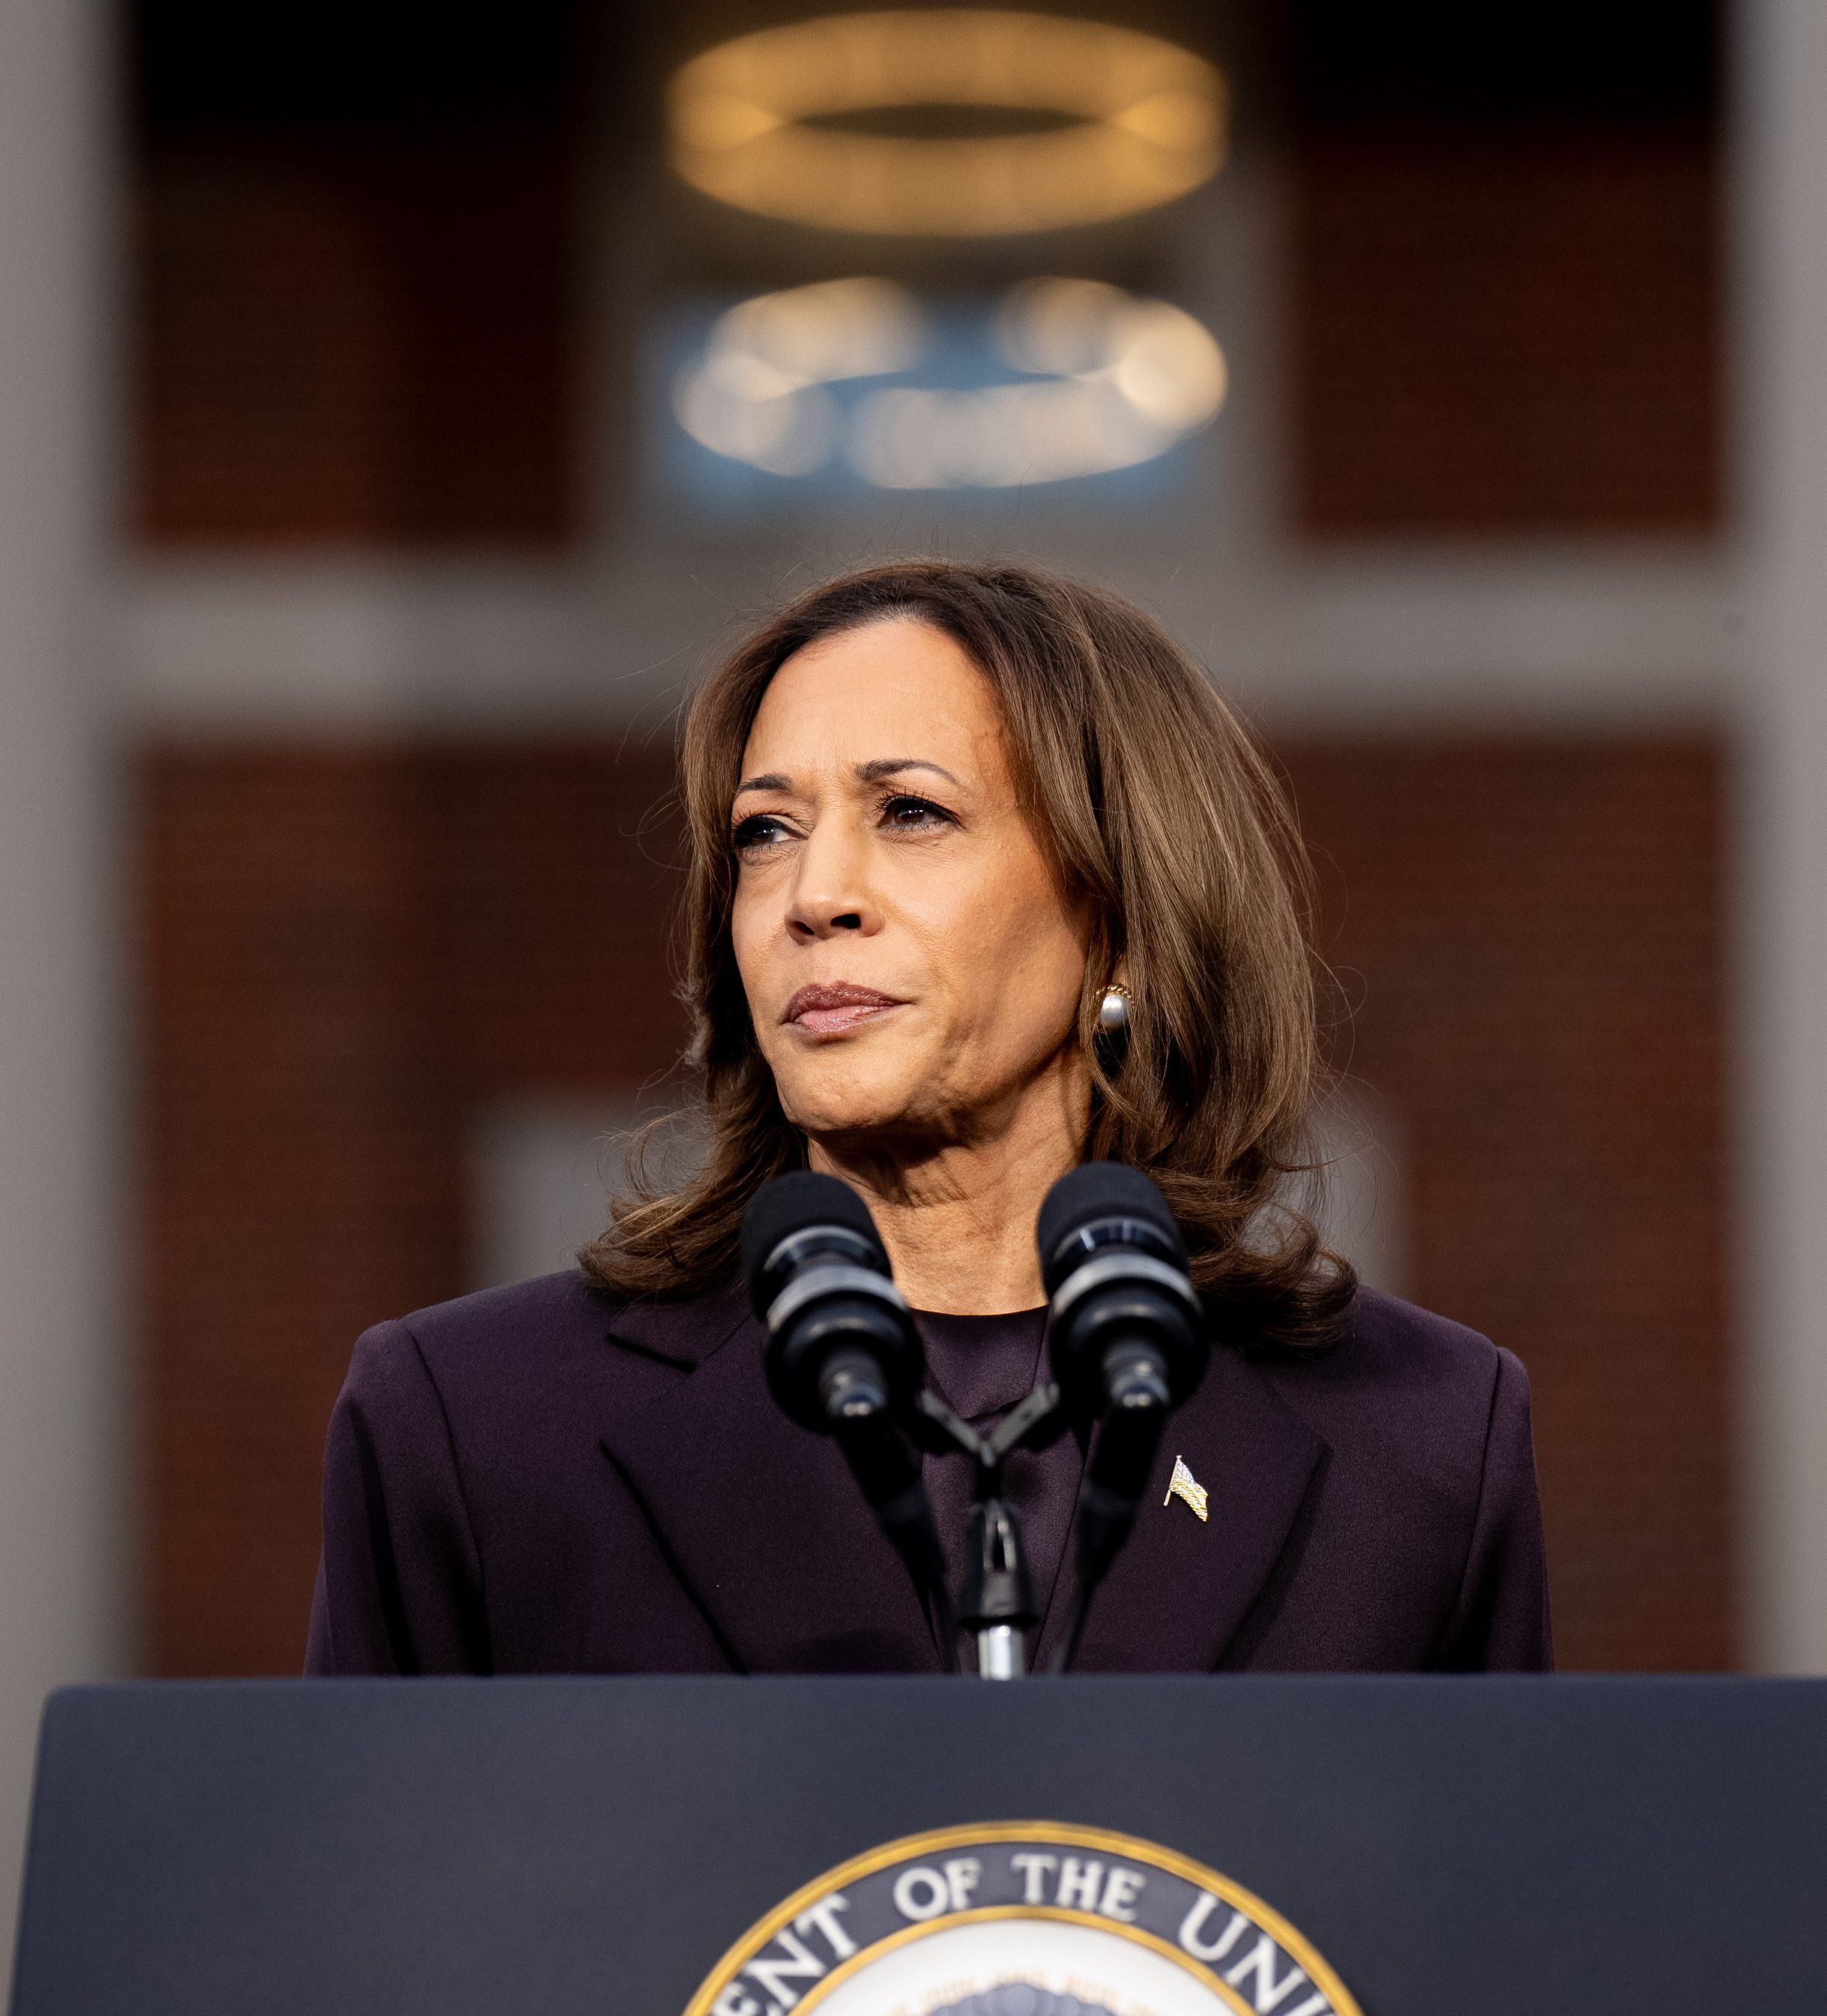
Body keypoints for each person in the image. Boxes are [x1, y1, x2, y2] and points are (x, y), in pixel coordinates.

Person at [305, 560, 1550, 1677]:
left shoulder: (1422, 1440)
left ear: (1118, 910)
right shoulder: (474, 1424)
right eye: (765, 833)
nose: (815, 895)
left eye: (911, 813)